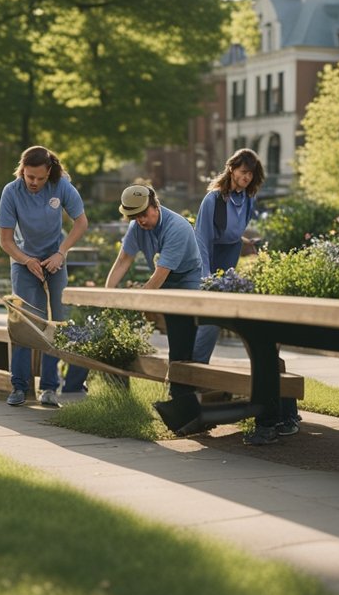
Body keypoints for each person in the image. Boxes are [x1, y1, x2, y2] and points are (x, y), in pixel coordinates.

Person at [103, 185, 204, 434]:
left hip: (186, 280)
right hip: (164, 279)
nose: (141, 221)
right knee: (177, 342)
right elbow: (123, 259)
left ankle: (184, 404)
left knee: (182, 339)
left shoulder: (177, 227)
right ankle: (184, 403)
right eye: (135, 217)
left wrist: (136, 301)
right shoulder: (137, 227)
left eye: (144, 214)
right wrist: (107, 294)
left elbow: (160, 276)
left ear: (155, 205)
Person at [0, 145, 90, 407]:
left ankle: (49, 388)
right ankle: (19, 387)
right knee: (26, 322)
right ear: (22, 172)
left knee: (57, 322)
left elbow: (81, 222)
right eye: (29, 177)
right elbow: (5, 241)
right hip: (22, 260)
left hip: (54, 261)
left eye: (39, 177)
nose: (34, 183)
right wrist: (26, 260)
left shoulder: (61, 187)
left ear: (49, 172)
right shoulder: (11, 192)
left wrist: (61, 253)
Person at [192, 148, 265, 363]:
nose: (246, 177)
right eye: (243, 171)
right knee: (210, 315)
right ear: (231, 169)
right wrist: (205, 277)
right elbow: (202, 238)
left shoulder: (248, 199)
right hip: (209, 254)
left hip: (230, 253)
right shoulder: (213, 199)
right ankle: (196, 364)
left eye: (251, 174)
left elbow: (233, 230)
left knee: (223, 311)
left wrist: (245, 242)